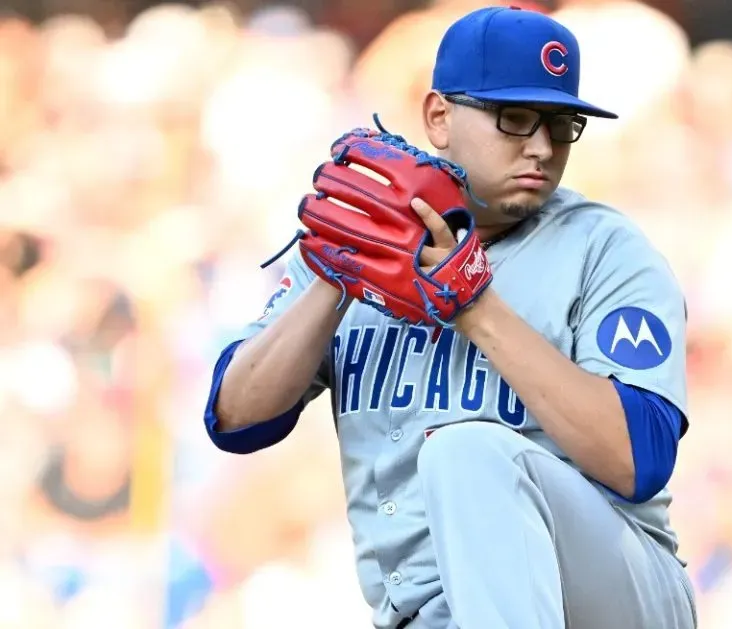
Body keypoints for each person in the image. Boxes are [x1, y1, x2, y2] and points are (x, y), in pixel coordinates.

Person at [203, 5, 697, 628]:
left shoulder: (605, 248)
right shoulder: (356, 244)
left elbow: (638, 459)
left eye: (561, 124)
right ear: (439, 116)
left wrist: (476, 306)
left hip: (614, 597)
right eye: (515, 118)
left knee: (464, 451)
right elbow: (235, 419)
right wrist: (337, 280)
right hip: (438, 615)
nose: (542, 147)